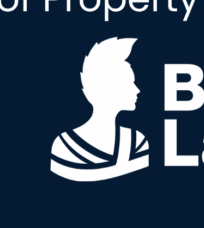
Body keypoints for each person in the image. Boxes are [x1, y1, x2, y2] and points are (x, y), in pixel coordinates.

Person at [51, 37, 149, 181]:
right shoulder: (64, 147)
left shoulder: (137, 142)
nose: (137, 90)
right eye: (130, 83)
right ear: (108, 89)